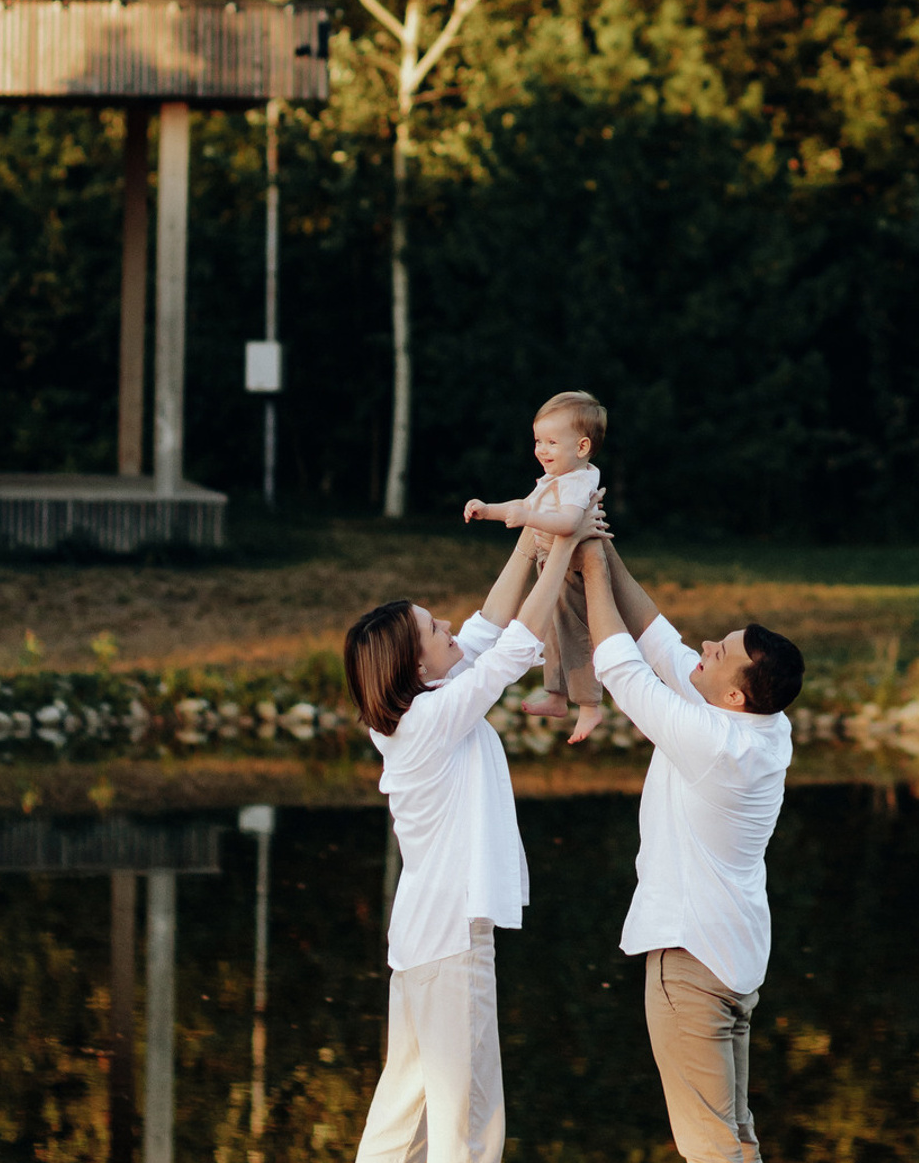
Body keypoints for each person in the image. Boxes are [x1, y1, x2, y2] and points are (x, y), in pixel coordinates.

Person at [344, 498, 607, 1163]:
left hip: (425, 941)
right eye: (435, 628)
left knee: (403, 1117)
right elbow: (514, 647)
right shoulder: (432, 720)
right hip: (451, 940)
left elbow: (488, 631)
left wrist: (531, 536)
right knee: (468, 1125)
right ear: (418, 667)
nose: (449, 626)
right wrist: (566, 541)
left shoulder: (418, 709)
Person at [577, 536, 805, 1163]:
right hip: (732, 961)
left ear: (734, 695)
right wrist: (600, 546)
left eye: (719, 652)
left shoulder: (717, 744)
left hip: (691, 960)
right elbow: (657, 640)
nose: (704, 646)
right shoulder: (764, 725)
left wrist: (588, 565)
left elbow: (621, 668)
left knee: (710, 1147)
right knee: (734, 1138)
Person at [462, 390, 607, 742]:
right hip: (551, 565)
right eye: (538, 441)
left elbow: (569, 523)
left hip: (573, 569)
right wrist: (488, 510)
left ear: (582, 447)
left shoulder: (577, 482)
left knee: (574, 633)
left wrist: (528, 518)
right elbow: (525, 504)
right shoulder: (556, 478)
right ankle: (556, 696)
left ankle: (590, 705)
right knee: (551, 631)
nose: (541, 449)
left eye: (551, 442)